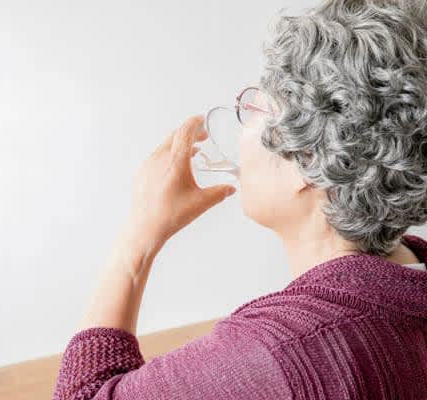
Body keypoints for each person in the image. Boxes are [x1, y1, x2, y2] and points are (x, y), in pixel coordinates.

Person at [52, 0, 427, 398]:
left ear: (307, 160)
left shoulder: (282, 352)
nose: (240, 127)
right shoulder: (409, 281)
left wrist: (140, 234)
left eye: (254, 108)